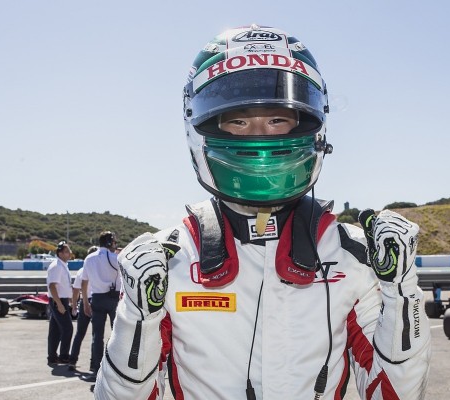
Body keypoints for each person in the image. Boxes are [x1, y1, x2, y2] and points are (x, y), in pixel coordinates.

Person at [95, 25, 431, 399]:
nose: (260, 136)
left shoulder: (354, 254)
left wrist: (402, 294)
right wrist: (137, 321)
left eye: (276, 119)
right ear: (204, 125)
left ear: (307, 122)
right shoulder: (168, 258)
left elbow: (394, 394)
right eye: (239, 121)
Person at [81, 231, 121, 373]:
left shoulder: (89, 258)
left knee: (97, 335)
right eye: (114, 242)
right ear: (110, 242)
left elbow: (84, 283)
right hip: (113, 298)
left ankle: (95, 366)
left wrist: (85, 303)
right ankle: (117, 365)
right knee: (117, 333)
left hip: (97, 298)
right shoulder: (116, 258)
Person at [68, 245, 98, 371]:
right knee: (96, 335)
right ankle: (93, 364)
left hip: (84, 300)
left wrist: (74, 305)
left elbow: (76, 290)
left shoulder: (81, 271)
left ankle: (72, 360)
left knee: (79, 334)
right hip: (96, 301)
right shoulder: (99, 270)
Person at [46, 240, 73, 365]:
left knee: (55, 330)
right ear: (60, 253)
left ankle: (52, 356)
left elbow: (63, 285)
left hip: (61, 299)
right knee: (68, 328)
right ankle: (64, 356)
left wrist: (69, 298)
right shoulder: (57, 266)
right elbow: (52, 286)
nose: (69, 253)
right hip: (58, 300)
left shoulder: (62, 265)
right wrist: (59, 303)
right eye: (67, 251)